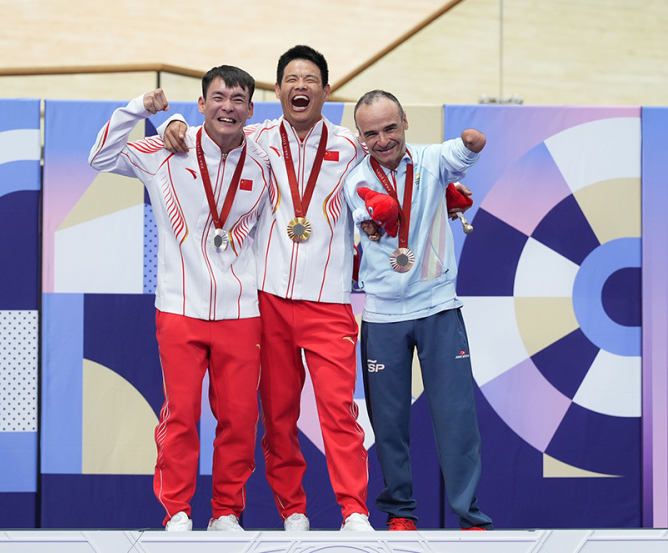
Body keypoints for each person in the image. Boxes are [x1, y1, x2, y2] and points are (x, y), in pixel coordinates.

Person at [160, 45, 373, 532]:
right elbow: (207, 132)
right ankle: (293, 511)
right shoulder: (253, 140)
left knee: (340, 414)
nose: (300, 87)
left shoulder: (351, 145)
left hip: (329, 302)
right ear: (276, 91)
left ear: (326, 90)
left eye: (310, 79)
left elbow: (394, 163)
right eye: (291, 79)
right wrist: (170, 123)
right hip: (269, 301)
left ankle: (354, 511)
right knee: (278, 418)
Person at [89, 65, 271, 532]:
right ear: (202, 104)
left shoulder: (263, 161)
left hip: (241, 311)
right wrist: (139, 109)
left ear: (251, 109)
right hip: (179, 309)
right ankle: (178, 511)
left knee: (239, 420)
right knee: (181, 417)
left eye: (237, 100)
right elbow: (100, 156)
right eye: (218, 97)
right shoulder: (167, 149)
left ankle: (226, 512)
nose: (227, 107)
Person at [343, 89, 494, 531]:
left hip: (437, 307)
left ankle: (470, 515)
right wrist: (378, 212)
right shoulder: (355, 180)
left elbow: (463, 153)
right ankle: (400, 514)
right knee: (388, 425)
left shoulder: (432, 160)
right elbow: (370, 213)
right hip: (383, 316)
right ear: (361, 136)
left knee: (457, 417)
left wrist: (471, 143)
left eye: (390, 128)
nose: (383, 140)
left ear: (405, 121)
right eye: (372, 133)